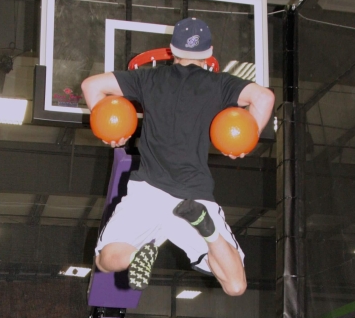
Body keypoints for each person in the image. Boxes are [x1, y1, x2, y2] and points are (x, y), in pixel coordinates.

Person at [81, 17, 275, 294]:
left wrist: (109, 130)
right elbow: (265, 98)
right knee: (235, 285)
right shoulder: (219, 84)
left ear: (172, 50)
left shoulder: (149, 77)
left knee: (106, 259)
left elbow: (91, 85)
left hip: (147, 190)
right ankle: (208, 231)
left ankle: (137, 255)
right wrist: (244, 139)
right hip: (194, 195)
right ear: (209, 54)